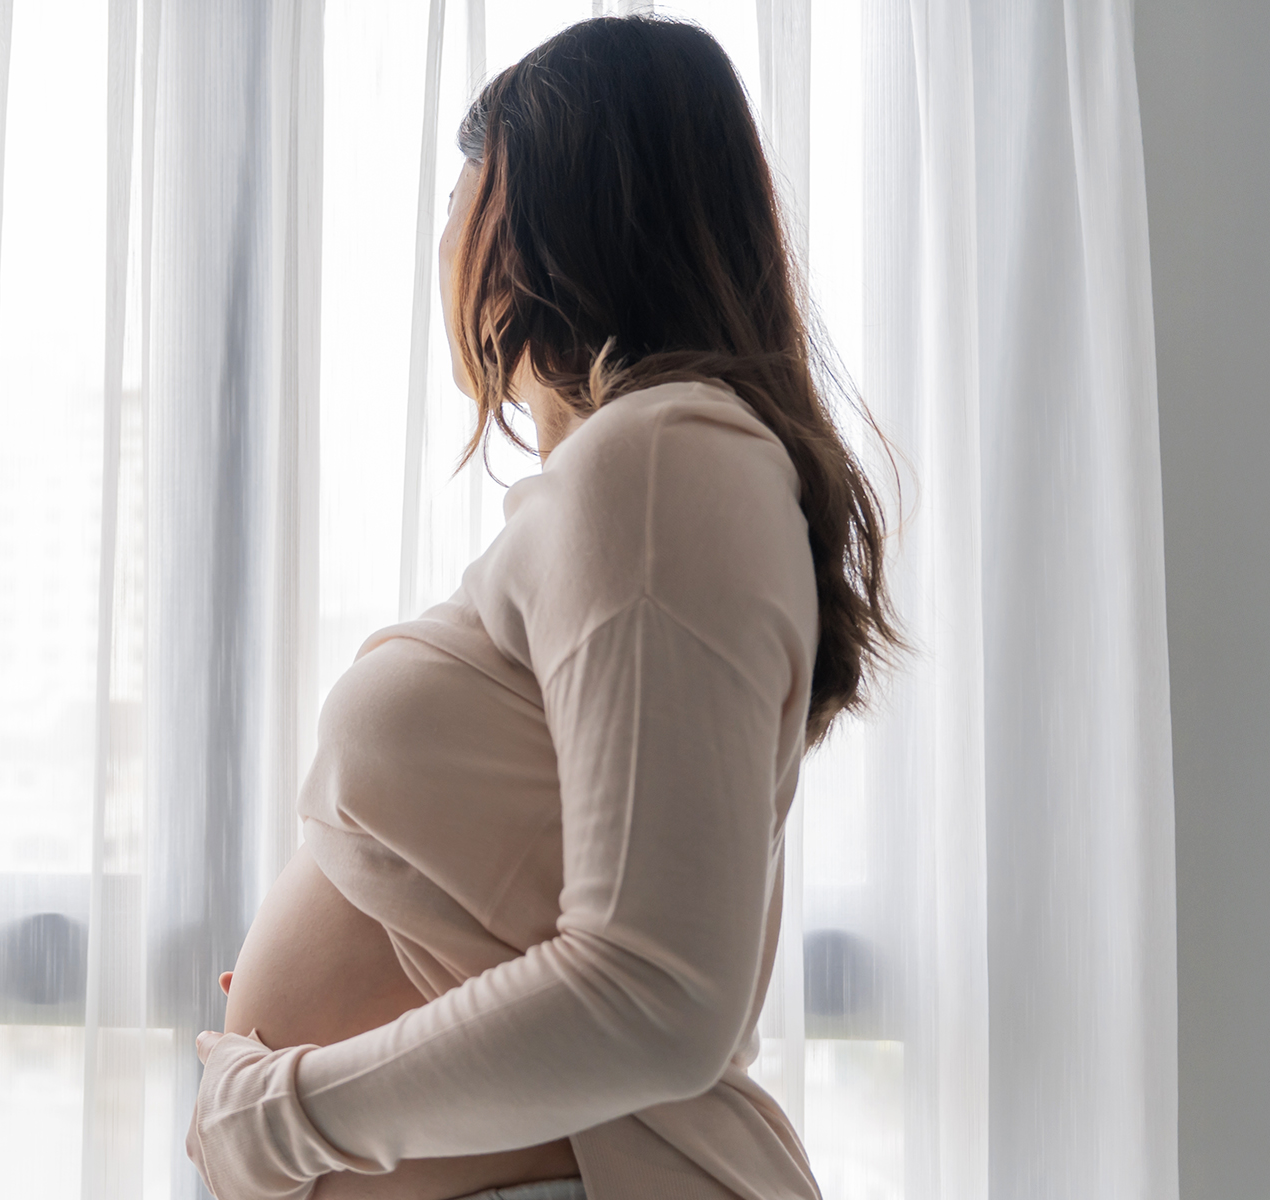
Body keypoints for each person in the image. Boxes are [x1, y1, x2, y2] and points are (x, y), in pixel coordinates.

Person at [186, 15, 898, 1200]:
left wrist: (288, 1113)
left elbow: (656, 994)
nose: (448, 234)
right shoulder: (642, 476)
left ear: (529, 207)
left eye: (468, 185)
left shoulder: (665, 460)